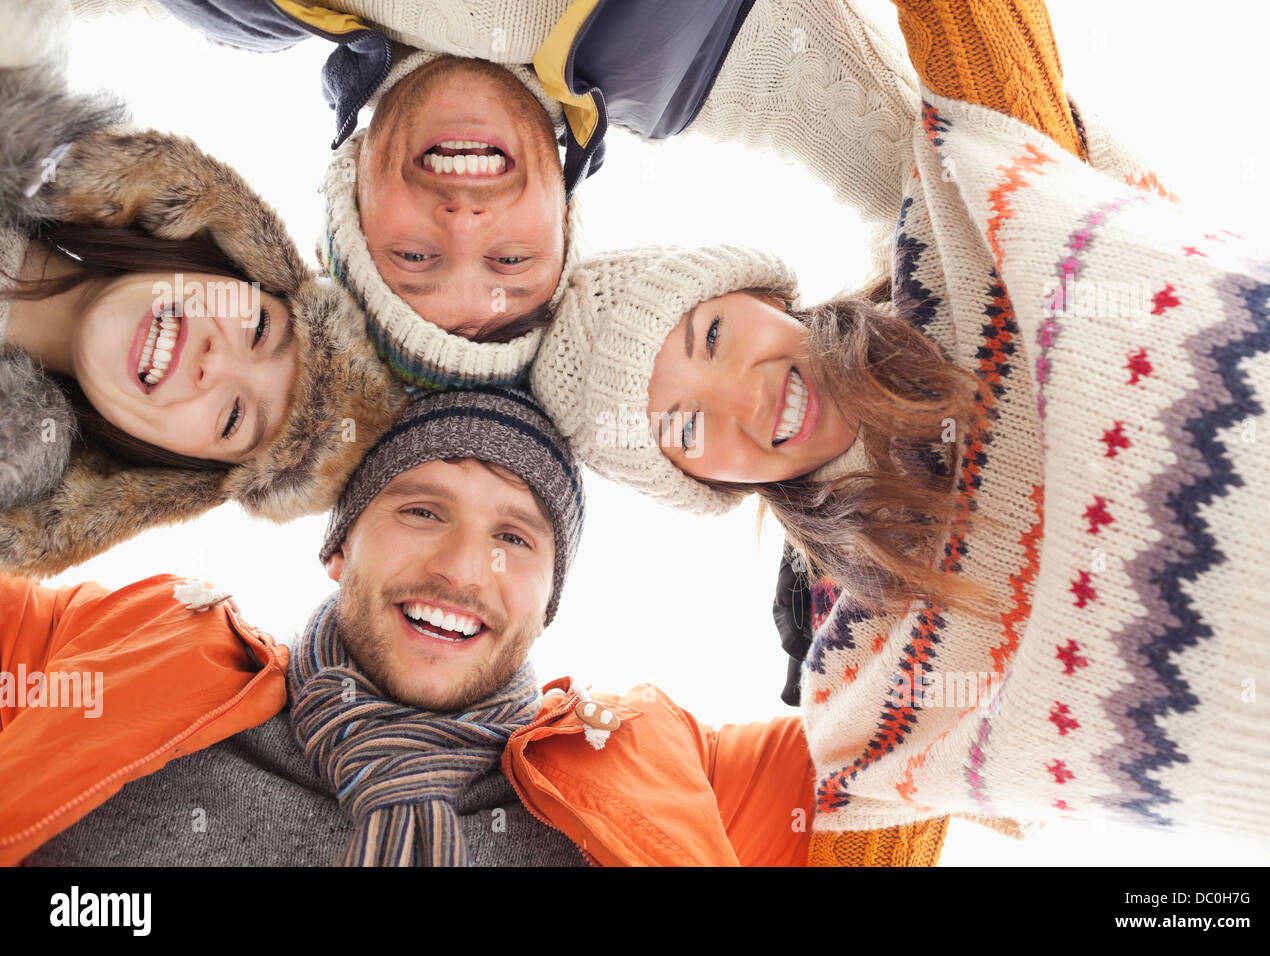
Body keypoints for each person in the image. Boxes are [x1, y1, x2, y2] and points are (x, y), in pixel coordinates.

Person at [525, 10, 1270, 858]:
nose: (745, 399)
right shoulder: (869, 667)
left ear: (761, 295)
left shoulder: (968, 230)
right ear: (704, 483)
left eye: (711, 336)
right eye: (686, 427)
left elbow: (970, 28)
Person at [0, 389, 858, 867]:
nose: (461, 568)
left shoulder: (661, 768)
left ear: (548, 597)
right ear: (338, 548)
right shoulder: (112, 648)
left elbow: (950, 709)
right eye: (421, 510)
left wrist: (839, 552)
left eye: (515, 537)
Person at [79, 0, 926, 394]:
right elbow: (958, 182)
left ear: (352, 192)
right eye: (511, 263)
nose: (462, 222)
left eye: (412, 259)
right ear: (564, 214)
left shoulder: (240, 8)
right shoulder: (696, 66)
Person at [0, 1, 408, 576]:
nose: (215, 362)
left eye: (233, 418)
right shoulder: (15, 54)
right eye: (260, 329)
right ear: (229, 266)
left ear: (170, 470)